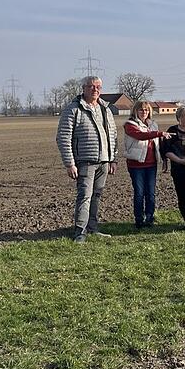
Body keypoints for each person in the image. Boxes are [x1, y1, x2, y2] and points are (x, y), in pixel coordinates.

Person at [56, 75, 117, 243]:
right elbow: (63, 137)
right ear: (83, 88)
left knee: (96, 196)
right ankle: (80, 232)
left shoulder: (105, 108)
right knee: (85, 196)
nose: (95, 89)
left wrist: (113, 159)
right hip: (85, 162)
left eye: (98, 86)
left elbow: (113, 135)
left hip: (104, 162)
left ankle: (92, 228)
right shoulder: (74, 109)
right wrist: (70, 163)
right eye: (91, 86)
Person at [123, 100, 172, 228]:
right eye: (141, 110)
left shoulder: (153, 125)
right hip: (136, 164)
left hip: (151, 164)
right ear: (135, 111)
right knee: (139, 192)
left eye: (146, 110)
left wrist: (163, 158)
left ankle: (149, 218)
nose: (144, 112)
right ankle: (139, 219)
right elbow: (140, 135)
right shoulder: (130, 124)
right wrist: (159, 133)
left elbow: (158, 144)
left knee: (150, 192)